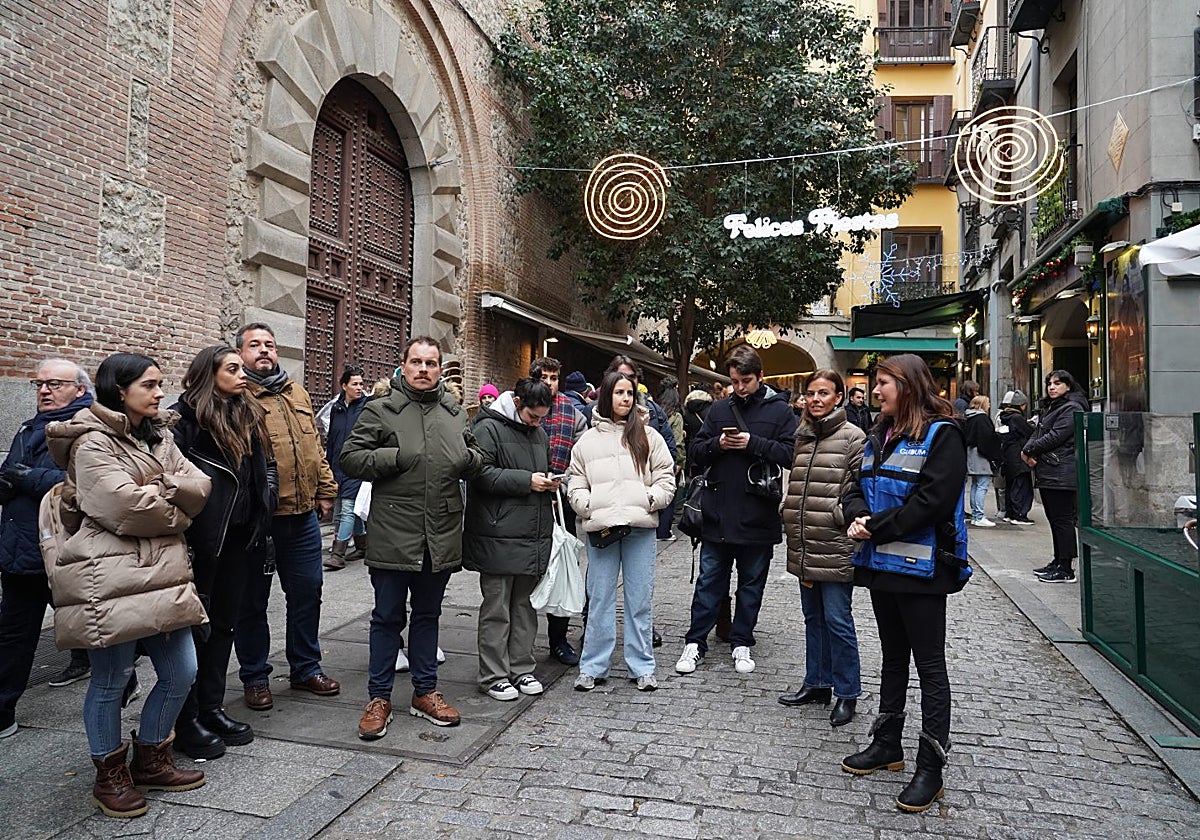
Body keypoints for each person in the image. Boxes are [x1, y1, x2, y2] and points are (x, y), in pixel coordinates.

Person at [44, 353, 212, 818]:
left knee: (182, 671)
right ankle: (109, 775)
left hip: (163, 573)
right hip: (109, 575)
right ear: (120, 391)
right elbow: (126, 508)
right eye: (150, 385)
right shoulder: (91, 442)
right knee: (112, 678)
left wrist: (162, 492)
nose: (160, 393)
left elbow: (201, 485)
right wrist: (174, 502)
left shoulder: (160, 434)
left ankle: (152, 758)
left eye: (160, 384)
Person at [840, 354, 970, 814]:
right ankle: (887, 743)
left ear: (909, 386)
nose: (875, 391)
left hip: (923, 572)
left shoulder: (943, 435)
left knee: (930, 666)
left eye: (883, 383)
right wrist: (856, 514)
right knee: (893, 657)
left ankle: (930, 768)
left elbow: (932, 502)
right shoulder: (880, 433)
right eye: (876, 383)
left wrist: (874, 527)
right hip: (883, 567)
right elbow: (855, 485)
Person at [340, 336, 483, 738]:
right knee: (387, 617)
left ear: (440, 369)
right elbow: (350, 458)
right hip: (393, 532)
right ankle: (379, 697)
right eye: (416, 362)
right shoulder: (380, 409)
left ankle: (425, 691)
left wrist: (466, 459)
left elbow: (476, 456)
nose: (423, 369)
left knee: (427, 615)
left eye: (431, 363)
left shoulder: (454, 412)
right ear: (403, 366)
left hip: (440, 532)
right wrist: (394, 457)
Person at [169, 346, 278, 759]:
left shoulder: (247, 413)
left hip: (239, 538)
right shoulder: (185, 421)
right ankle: (185, 719)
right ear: (209, 375)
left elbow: (264, 467)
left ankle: (211, 708)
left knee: (223, 626)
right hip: (202, 542)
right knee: (195, 630)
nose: (242, 373)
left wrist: (266, 502)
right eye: (232, 369)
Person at [234, 323, 341, 713]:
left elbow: (315, 447)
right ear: (240, 354)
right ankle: (255, 676)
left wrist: (326, 489)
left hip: (302, 517)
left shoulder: (297, 392)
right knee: (252, 602)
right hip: (259, 522)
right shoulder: (236, 397)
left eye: (270, 344)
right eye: (255, 345)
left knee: (308, 592)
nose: (264, 350)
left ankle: (305, 667)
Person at [675, 345, 797, 676]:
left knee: (751, 584)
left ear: (760, 377)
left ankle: (742, 641)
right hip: (718, 513)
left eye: (746, 381)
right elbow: (696, 452)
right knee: (709, 582)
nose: (740, 388)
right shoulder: (718, 410)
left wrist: (752, 443)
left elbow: (791, 454)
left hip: (758, 514)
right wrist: (718, 444)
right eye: (734, 381)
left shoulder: (780, 412)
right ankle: (695, 642)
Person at [0, 359, 94, 740]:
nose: (43, 390)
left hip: (64, 550)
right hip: (21, 548)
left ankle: (120, 679)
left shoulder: (88, 428)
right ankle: (3, 710)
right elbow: (11, 471)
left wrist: (28, 479)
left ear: (80, 389)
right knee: (13, 633)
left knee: (87, 625)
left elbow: (86, 483)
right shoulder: (28, 428)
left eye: (54, 384)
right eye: (39, 384)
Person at [568, 371, 675, 692]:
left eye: (629, 393)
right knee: (599, 598)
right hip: (602, 529)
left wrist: (650, 499)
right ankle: (592, 666)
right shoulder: (588, 441)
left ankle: (642, 666)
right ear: (607, 396)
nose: (625, 398)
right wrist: (586, 505)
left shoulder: (649, 436)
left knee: (639, 599)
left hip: (639, 529)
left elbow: (666, 476)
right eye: (619, 393)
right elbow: (576, 480)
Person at [778, 370, 865, 728]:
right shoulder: (803, 434)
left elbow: (861, 490)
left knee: (838, 620)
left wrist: (839, 516)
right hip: (805, 542)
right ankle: (817, 682)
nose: (815, 399)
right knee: (812, 618)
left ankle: (847, 692)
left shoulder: (853, 437)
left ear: (838, 397)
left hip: (835, 543)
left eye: (824, 393)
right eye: (811, 393)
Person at [464, 378, 557, 700]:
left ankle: (522, 668)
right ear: (517, 403)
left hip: (531, 532)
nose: (537, 423)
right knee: (497, 608)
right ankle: (493, 675)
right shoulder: (487, 428)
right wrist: (527, 481)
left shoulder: (538, 434)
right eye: (533, 416)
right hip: (497, 532)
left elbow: (539, 469)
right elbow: (480, 474)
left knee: (524, 607)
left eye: (542, 417)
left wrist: (547, 482)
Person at [529, 356, 587, 666]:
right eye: (544, 377)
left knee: (563, 569)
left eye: (553, 378)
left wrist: (563, 486)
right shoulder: (519, 406)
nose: (549, 383)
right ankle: (521, 644)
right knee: (526, 573)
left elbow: (580, 460)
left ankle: (559, 640)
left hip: (560, 501)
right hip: (524, 498)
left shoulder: (573, 414)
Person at [1022, 370, 1090, 583]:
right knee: (1054, 518)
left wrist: (1030, 450)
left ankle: (1066, 568)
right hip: (1049, 470)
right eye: (1049, 383)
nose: (1052, 387)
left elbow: (1056, 436)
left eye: (1057, 383)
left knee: (1062, 520)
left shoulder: (1072, 407)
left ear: (1068, 386)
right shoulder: (1052, 407)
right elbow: (1038, 432)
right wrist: (1026, 450)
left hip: (1061, 470)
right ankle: (1058, 560)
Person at [323, 364, 368, 571]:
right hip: (337, 466)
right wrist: (328, 465)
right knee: (344, 505)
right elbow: (332, 439)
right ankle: (363, 545)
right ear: (344, 386)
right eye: (355, 384)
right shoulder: (336, 408)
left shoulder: (367, 407)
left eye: (361, 384)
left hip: (358, 464)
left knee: (347, 508)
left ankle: (337, 554)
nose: (359, 388)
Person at [963, 395, 1001, 527]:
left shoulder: (969, 417)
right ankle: (978, 516)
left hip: (971, 454)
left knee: (976, 485)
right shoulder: (982, 418)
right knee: (982, 485)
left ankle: (975, 515)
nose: (989, 405)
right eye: (988, 403)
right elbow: (987, 439)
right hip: (980, 455)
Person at [997, 390, 1035, 525]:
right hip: (1018, 456)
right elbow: (1030, 433)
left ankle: (1010, 513)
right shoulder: (1017, 418)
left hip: (1008, 456)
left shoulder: (1004, 417)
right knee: (1021, 486)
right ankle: (1019, 515)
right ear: (1021, 405)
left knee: (1010, 485)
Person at [655, 384, 685, 540]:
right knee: (669, 496)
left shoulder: (656, 413)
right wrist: (679, 462)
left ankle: (655, 528)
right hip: (670, 459)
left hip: (655, 458)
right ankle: (664, 531)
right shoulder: (676, 416)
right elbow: (677, 441)